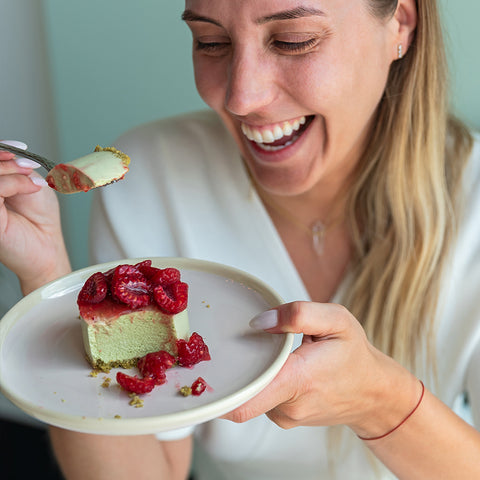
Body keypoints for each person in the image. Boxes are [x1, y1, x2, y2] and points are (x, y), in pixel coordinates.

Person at [1, 0, 480, 478]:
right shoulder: (153, 179)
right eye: (211, 42)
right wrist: (46, 279)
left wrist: (380, 402)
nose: (239, 97)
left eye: (294, 41)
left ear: (400, 22)